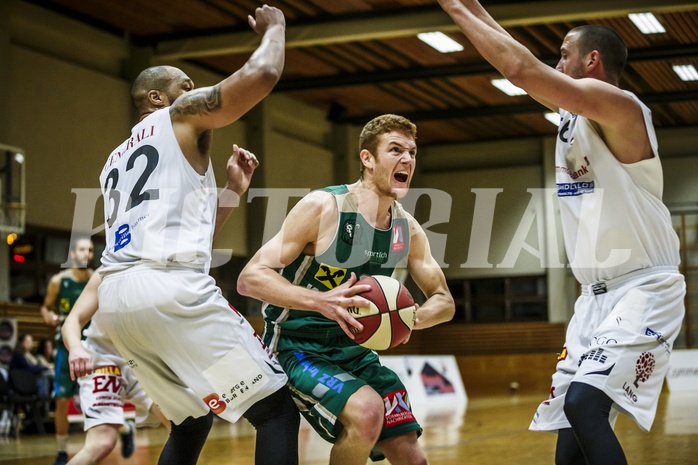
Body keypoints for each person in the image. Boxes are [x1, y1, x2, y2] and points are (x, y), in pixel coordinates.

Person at [438, 1, 686, 464]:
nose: (557, 62)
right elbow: (518, 60)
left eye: (563, 53)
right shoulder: (572, 116)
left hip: (644, 287)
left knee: (583, 405)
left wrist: (453, 6)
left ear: (592, 61)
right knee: (567, 445)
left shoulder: (622, 107)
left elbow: (518, 67)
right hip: (593, 300)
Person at [95, 5, 299, 465]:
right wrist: (276, 29)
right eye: (185, 87)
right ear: (154, 98)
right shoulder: (177, 117)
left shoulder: (113, 160)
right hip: (171, 294)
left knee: (191, 421)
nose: (195, 92)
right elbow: (263, 72)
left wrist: (229, 191)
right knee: (274, 412)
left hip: (119, 303)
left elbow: (192, 233)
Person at [237, 113, 455, 465]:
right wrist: (321, 301)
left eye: (412, 152)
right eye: (395, 150)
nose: (407, 160)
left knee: (413, 458)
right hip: (296, 346)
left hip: (355, 352)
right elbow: (251, 277)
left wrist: (410, 318)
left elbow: (444, 301)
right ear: (367, 159)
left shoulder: (407, 230)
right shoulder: (324, 207)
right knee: (368, 412)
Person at [62, 269, 170, 465]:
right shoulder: (106, 272)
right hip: (105, 358)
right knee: (101, 443)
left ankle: (124, 427)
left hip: (144, 359)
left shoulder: (166, 271)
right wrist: (76, 347)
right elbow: (72, 320)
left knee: (183, 424)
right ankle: (121, 428)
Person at [40, 237, 94, 465]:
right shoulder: (58, 281)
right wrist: (48, 316)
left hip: (93, 347)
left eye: (90, 250)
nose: (87, 254)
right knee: (62, 400)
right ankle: (62, 450)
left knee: (95, 400)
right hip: (65, 348)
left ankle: (116, 434)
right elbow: (46, 307)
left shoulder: (96, 279)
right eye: (82, 249)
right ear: (73, 253)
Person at [9, 333, 52, 397]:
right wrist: (45, 367)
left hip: (26, 379)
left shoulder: (28, 354)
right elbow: (29, 368)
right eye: (29, 341)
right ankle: (42, 403)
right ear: (22, 342)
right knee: (43, 380)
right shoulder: (19, 355)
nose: (32, 343)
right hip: (20, 382)